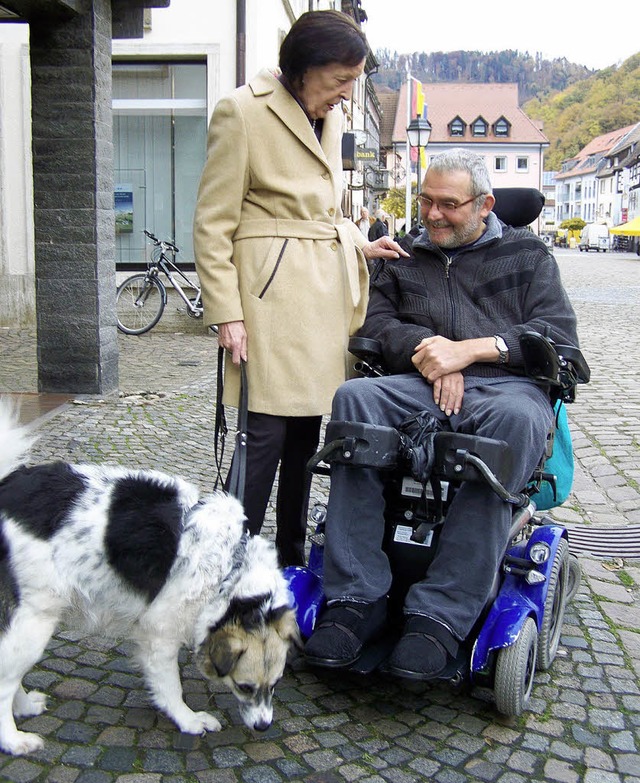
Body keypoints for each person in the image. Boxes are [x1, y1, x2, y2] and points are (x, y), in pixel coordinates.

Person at [304, 148, 579, 678]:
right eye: (427, 201)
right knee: (355, 400)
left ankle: (441, 613)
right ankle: (356, 597)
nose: (432, 215)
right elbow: (379, 323)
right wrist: (432, 352)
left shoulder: (529, 257)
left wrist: (472, 350)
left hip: (506, 387)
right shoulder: (407, 254)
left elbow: (559, 339)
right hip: (418, 382)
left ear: (484, 205)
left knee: (518, 423)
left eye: (448, 205)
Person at [193, 10, 407, 568]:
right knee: (261, 436)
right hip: (268, 301)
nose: (345, 93)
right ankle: (228, 564)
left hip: (322, 297)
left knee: (307, 438)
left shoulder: (327, 116)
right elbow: (213, 223)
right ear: (304, 67)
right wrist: (226, 312)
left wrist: (361, 243)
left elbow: (322, 210)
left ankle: (288, 564)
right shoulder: (241, 111)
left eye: (353, 81)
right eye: (339, 80)